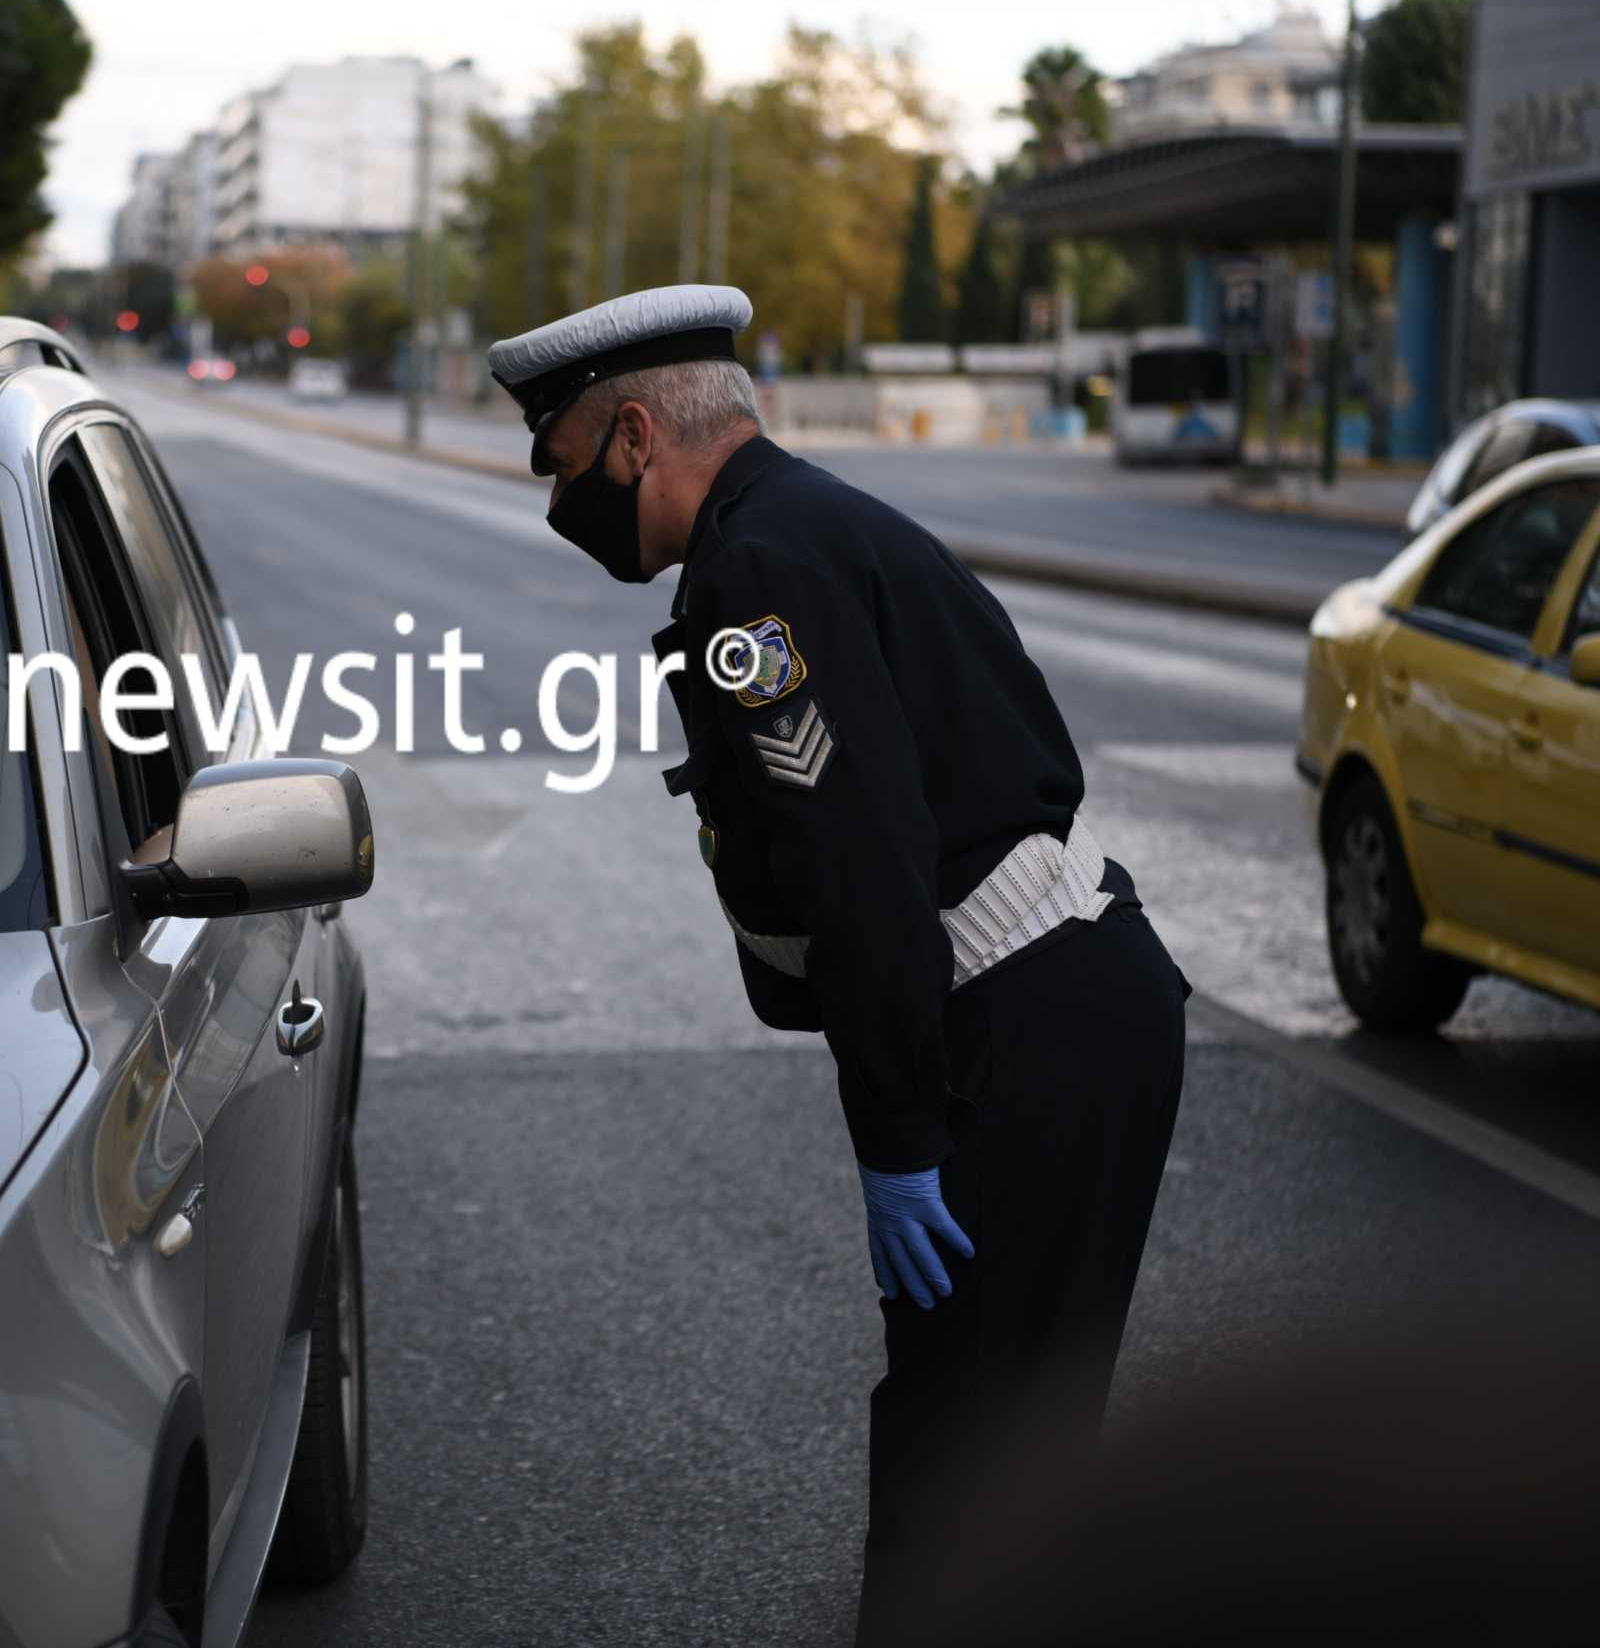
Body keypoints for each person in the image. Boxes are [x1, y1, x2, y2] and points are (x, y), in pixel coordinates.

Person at [486, 285, 1190, 1644]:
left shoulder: (758, 574)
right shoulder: (813, 526)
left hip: (1020, 1018)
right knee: (1017, 1434)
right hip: (1072, 999)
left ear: (636, 435)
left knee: (963, 1450)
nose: (559, 501)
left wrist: (902, 1133)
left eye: (564, 465)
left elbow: (863, 868)